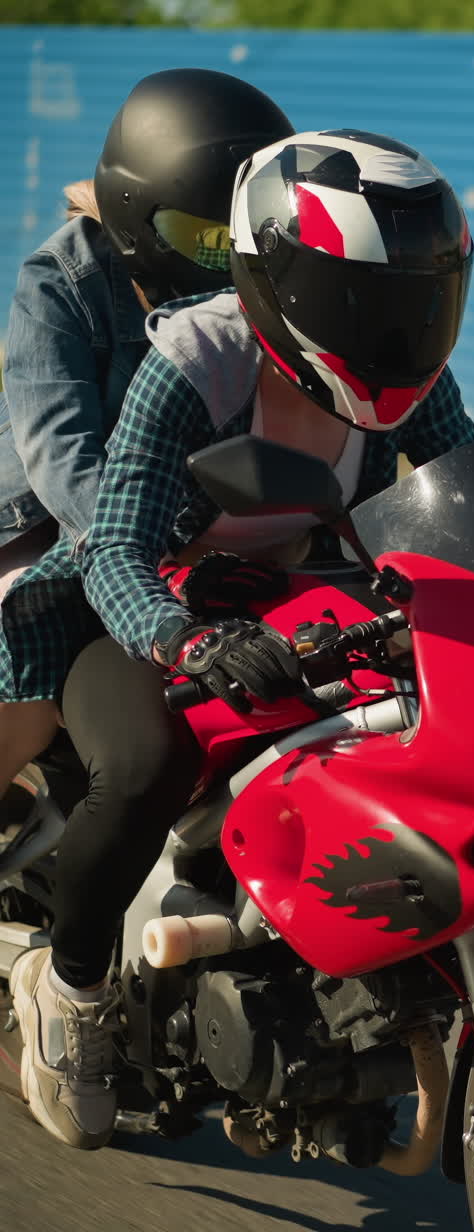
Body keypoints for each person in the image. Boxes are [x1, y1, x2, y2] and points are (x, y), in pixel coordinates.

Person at [9, 128, 474, 1151]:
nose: (394, 328)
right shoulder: (196, 358)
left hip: (299, 601)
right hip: (133, 608)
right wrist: (180, 642)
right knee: (141, 763)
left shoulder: (411, 372)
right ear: (283, 285)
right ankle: (71, 982)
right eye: (363, 298)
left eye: (413, 297)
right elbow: (115, 544)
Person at [0, 67, 295, 795]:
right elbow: (60, 460)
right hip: (54, 522)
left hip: (200, 515)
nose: (226, 263)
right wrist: (164, 553)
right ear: (136, 215)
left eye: (244, 238)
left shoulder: (262, 286)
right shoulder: (60, 282)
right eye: (205, 239)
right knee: (27, 699)